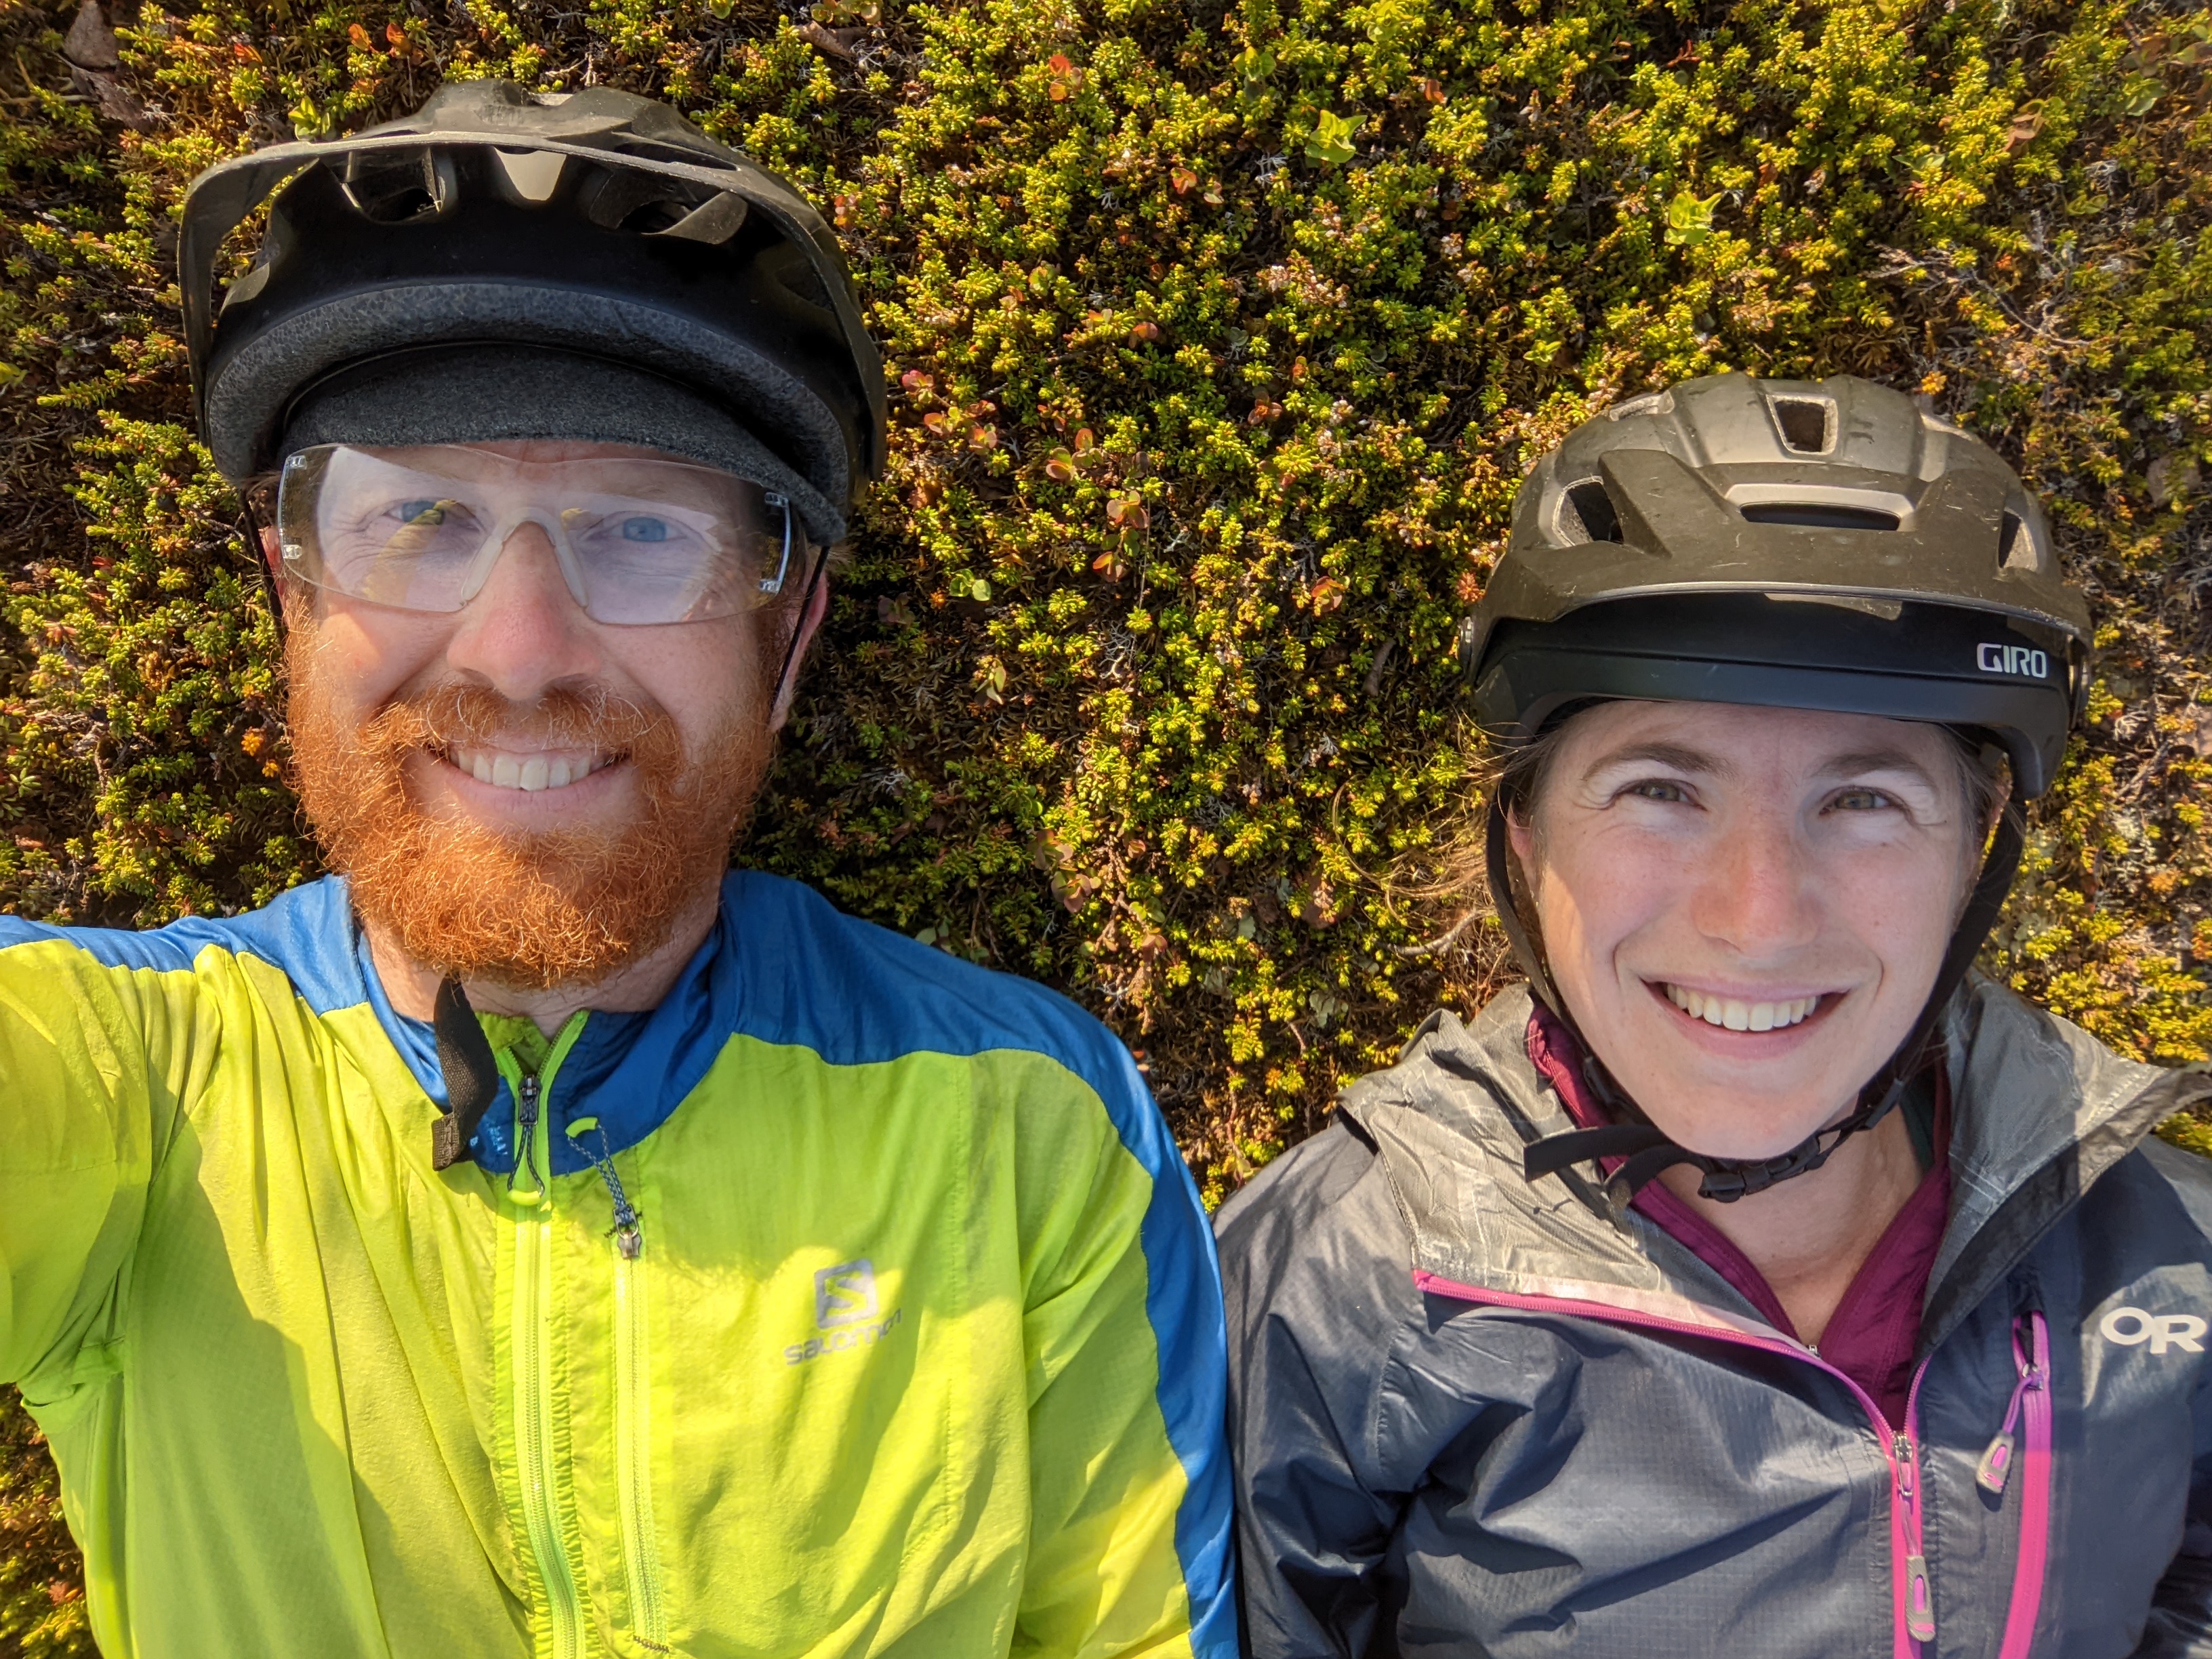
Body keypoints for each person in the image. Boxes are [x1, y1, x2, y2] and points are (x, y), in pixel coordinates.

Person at [0, 81, 1236, 1658]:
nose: (519, 653)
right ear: (289, 594)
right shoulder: (131, 1084)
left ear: (785, 642)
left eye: (644, 532)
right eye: (418, 517)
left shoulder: (1037, 1130)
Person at [1217, 373, 2212, 1657]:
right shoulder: (1338, 1279)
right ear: (1523, 836)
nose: (1758, 917)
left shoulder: (2164, 1247)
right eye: (1659, 788)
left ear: (1975, 854)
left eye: (1865, 801)